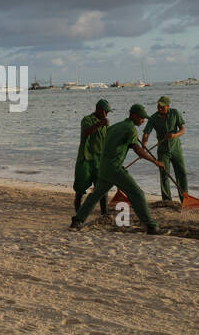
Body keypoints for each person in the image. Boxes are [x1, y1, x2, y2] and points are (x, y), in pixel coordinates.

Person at [71, 104, 165, 235]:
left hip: (104, 167)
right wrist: (155, 162)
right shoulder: (130, 129)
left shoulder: (116, 126)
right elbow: (138, 150)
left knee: (95, 195)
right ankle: (151, 226)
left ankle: (77, 221)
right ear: (134, 115)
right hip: (114, 168)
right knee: (137, 194)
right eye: (142, 118)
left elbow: (116, 145)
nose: (143, 121)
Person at [143, 95, 187, 205]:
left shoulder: (175, 113)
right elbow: (146, 133)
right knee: (164, 175)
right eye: (159, 106)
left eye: (162, 106)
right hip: (163, 151)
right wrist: (143, 146)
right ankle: (167, 200)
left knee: (181, 174)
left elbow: (182, 129)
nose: (160, 108)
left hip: (176, 148)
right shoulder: (153, 118)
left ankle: (185, 199)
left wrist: (174, 135)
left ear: (168, 106)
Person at [74, 99, 111, 217]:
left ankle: (104, 213)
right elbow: (86, 132)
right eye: (105, 111)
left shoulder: (104, 123)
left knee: (101, 186)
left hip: (99, 159)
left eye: (108, 112)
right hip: (86, 158)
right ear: (99, 109)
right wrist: (100, 124)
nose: (106, 114)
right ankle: (78, 209)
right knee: (81, 186)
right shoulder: (87, 119)